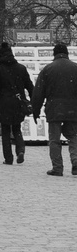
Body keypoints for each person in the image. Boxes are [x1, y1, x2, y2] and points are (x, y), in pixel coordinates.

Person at [31, 41, 77, 177]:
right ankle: (76, 162)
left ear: (54, 54)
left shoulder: (48, 69)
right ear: (67, 54)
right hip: (73, 109)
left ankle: (57, 168)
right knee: (74, 136)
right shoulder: (75, 68)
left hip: (54, 108)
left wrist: (36, 110)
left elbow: (38, 93)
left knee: (54, 139)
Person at [0, 44, 34, 165]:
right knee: (17, 127)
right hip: (18, 102)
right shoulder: (21, 68)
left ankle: (8, 158)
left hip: (4, 102)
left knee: (6, 130)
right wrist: (33, 101)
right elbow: (29, 86)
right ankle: (20, 150)